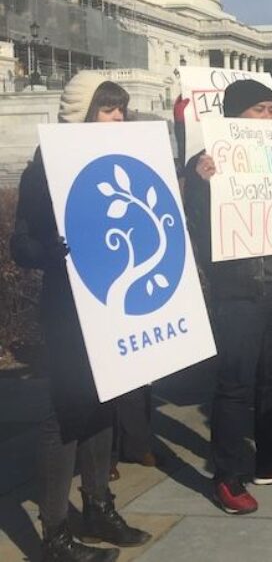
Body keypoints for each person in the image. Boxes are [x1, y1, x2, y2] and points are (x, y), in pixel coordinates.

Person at [12, 71, 151, 561]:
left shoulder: (126, 162)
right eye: (107, 109)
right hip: (69, 309)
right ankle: (54, 535)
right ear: (81, 113)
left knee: (103, 407)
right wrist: (51, 250)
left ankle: (97, 507)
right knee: (65, 415)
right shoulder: (44, 168)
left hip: (110, 303)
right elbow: (21, 244)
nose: (117, 118)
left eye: (121, 110)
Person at [184, 79, 272, 515]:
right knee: (235, 384)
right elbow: (196, 225)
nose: (269, 117)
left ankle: (271, 459)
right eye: (260, 109)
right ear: (237, 115)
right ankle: (226, 475)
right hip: (239, 290)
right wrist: (199, 180)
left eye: (270, 109)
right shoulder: (204, 163)